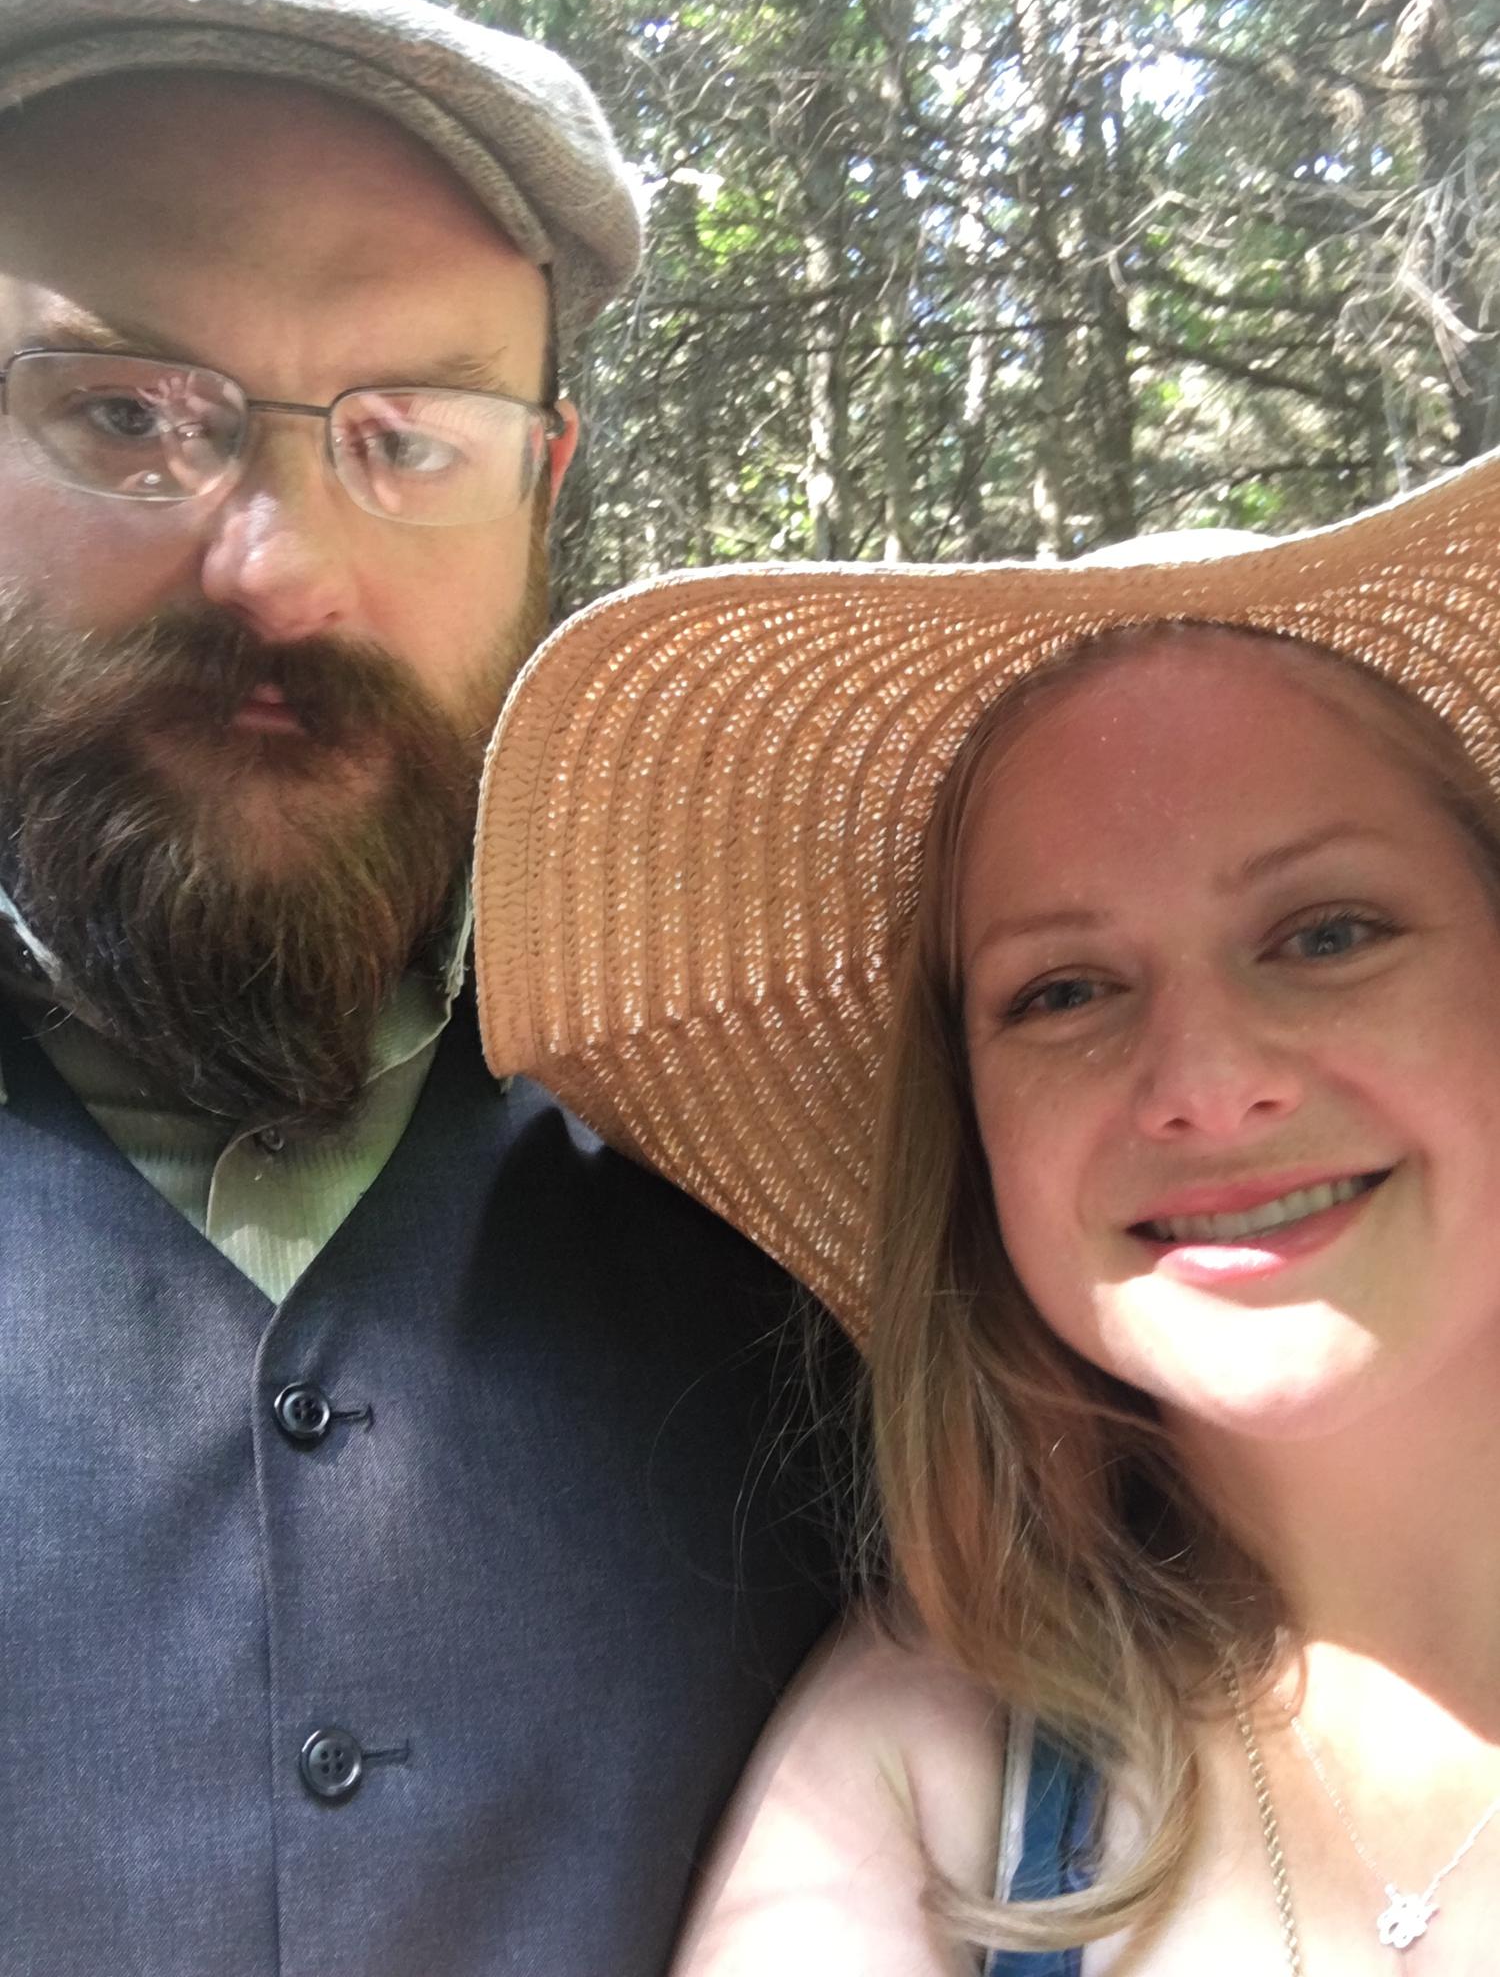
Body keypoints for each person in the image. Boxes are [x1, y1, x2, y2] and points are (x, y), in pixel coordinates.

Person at [0, 0, 841, 1971]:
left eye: (412, 438)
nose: (281, 572)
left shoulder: (803, 1173)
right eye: (126, 414)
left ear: (543, 490)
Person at [475, 458, 1500, 1973]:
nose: (1206, 1086)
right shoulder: (926, 1778)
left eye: (1326, 934)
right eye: (1064, 992)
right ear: (974, 1129)